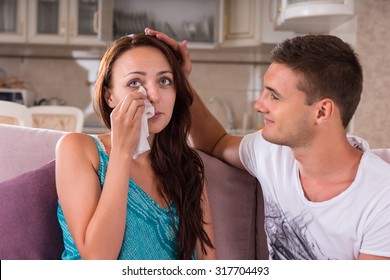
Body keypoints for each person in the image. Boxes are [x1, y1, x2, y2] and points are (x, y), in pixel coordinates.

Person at [146, 28, 390, 260]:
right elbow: (216, 141)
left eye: (274, 96)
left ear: (322, 111)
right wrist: (181, 78)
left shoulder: (381, 198)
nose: (259, 105)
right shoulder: (271, 153)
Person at [55, 34, 215, 260]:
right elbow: (98, 260)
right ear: (109, 96)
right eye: (135, 83)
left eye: (164, 81)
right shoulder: (78, 149)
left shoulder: (188, 166)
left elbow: (209, 262)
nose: (154, 96)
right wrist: (122, 151)